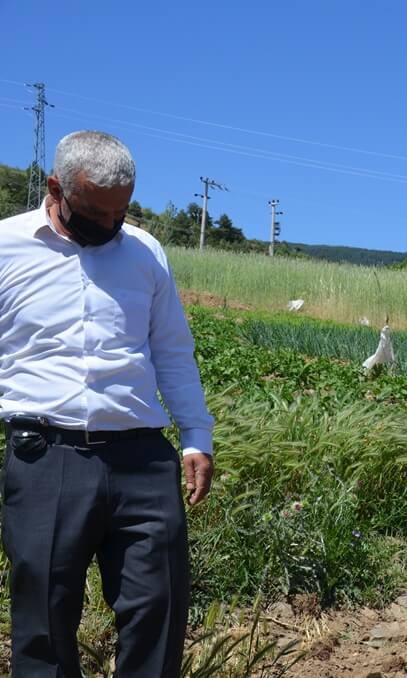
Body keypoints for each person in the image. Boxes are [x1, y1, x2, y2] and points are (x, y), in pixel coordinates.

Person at [0, 130, 214, 677]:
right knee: (44, 618)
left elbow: (172, 349)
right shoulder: (6, 247)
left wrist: (196, 436)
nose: (111, 225)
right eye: (97, 213)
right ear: (56, 188)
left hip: (142, 458)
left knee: (157, 610)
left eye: (122, 212)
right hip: (46, 456)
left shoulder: (145, 252)